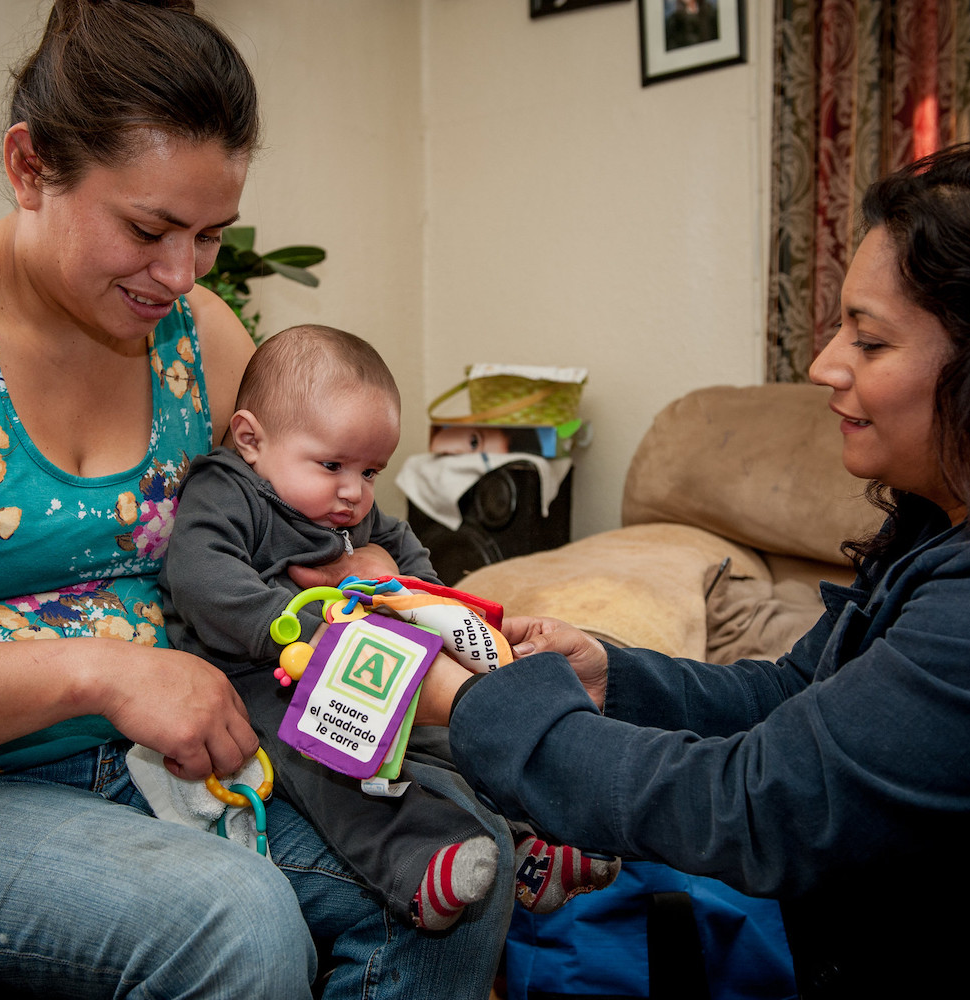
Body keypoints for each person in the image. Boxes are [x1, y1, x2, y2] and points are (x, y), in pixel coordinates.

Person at [0, 2, 512, 996]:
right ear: (29, 167)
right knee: (236, 919)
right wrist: (99, 674)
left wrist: (389, 580)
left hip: (178, 762)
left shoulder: (194, 333)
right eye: (148, 228)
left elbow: (309, 505)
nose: (179, 274)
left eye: (210, 235)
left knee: (461, 863)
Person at [415, 143, 970, 998]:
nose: (824, 364)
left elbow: (754, 804)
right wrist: (612, 679)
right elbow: (793, 693)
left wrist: (476, 702)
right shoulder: (928, 522)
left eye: (868, 339)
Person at [159, 322, 620, 931]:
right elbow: (200, 575)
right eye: (332, 465)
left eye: (372, 472)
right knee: (329, 760)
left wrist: (446, 618)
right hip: (257, 675)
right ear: (251, 439)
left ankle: (528, 841)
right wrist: (289, 628)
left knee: (451, 731)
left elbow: (409, 558)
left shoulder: (345, 507)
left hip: (366, 654)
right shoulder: (227, 491)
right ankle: (413, 864)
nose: (354, 492)